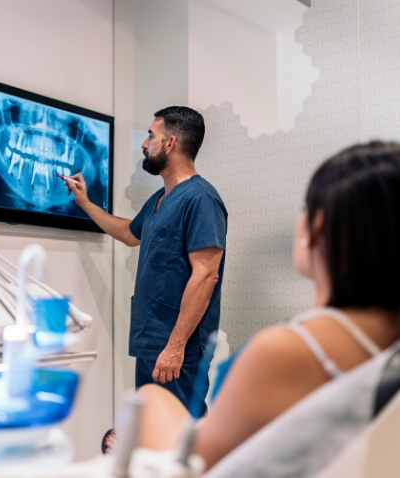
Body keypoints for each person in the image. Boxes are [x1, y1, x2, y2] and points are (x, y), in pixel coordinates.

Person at [136, 141, 400, 472]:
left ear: (316, 228)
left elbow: (201, 464)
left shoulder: (288, 350)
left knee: (150, 400)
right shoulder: (387, 341)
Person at [60, 106, 227, 411]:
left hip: (180, 347)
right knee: (151, 429)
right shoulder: (160, 199)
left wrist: (175, 346)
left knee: (178, 434)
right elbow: (128, 233)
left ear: (170, 143)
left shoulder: (201, 199)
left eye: (151, 135)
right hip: (152, 341)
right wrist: (85, 203)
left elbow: (206, 276)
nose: (143, 143)